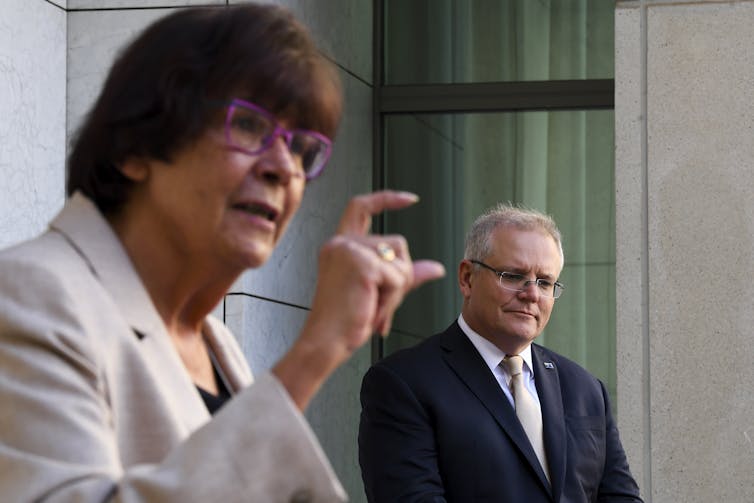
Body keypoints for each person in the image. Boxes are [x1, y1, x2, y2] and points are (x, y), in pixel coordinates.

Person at [0, 4, 445, 501]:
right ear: (133, 149)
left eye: (302, 148)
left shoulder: (215, 343)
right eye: (251, 126)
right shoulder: (28, 294)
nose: (284, 168)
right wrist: (315, 351)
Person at [358, 203, 642, 502]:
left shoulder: (586, 389)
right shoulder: (403, 384)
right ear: (467, 278)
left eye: (544, 282)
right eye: (513, 276)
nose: (531, 294)